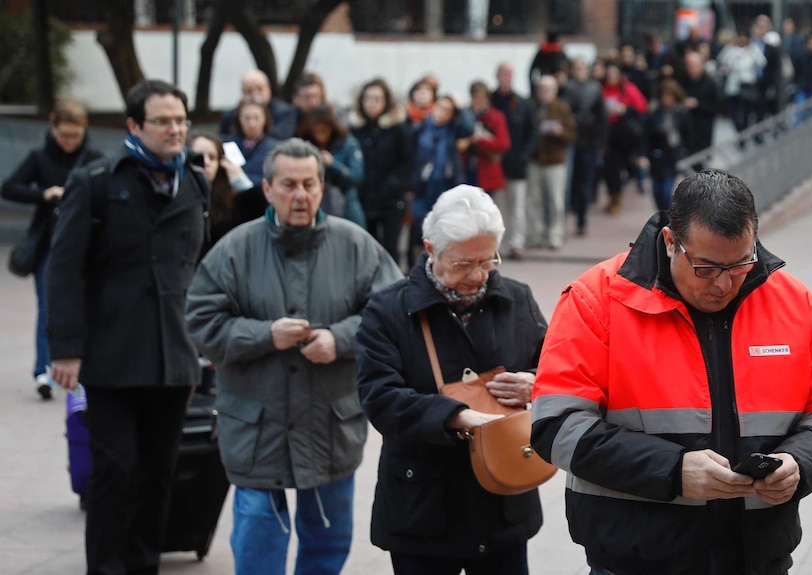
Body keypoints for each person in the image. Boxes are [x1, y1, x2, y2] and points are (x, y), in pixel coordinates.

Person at [530, 169, 812, 575]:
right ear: (671, 242)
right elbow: (557, 427)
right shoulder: (596, 298)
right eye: (706, 268)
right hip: (634, 558)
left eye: (741, 264)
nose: (724, 284)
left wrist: (800, 463)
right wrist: (673, 471)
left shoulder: (796, 303)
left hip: (757, 556)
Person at [185, 138, 402, 575]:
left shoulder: (356, 245)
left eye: (309, 184)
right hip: (255, 422)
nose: (299, 195)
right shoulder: (235, 248)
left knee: (327, 538)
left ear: (322, 188)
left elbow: (393, 318)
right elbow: (201, 324)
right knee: (258, 536)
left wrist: (339, 339)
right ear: (267, 189)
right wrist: (265, 335)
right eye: (288, 185)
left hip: (329, 422)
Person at [46, 79, 210, 575]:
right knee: (115, 469)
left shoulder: (196, 182)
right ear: (135, 126)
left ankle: (143, 566)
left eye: (181, 120)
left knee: (159, 472)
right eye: (162, 121)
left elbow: (199, 267)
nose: (174, 130)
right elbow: (65, 268)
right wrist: (66, 349)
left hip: (174, 356)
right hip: (112, 354)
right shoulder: (96, 181)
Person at [355, 184, 547, 575]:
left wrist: (535, 384)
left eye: (488, 259)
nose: (478, 275)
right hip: (422, 506)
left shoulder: (517, 298)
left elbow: (560, 369)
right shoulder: (388, 310)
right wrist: (456, 415)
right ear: (430, 249)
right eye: (463, 264)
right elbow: (380, 397)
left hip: (503, 499)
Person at [1, 100, 103, 399]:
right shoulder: (40, 156)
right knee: (49, 305)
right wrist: (43, 194)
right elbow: (9, 187)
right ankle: (43, 370)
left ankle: (85, 368)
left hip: (87, 244)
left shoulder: (94, 157)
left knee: (90, 305)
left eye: (75, 135)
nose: (69, 142)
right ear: (52, 128)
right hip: (49, 242)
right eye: (64, 135)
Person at [350, 78, 413, 264]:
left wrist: (393, 185)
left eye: (377, 99)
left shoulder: (398, 128)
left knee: (390, 247)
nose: (371, 103)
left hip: (391, 198)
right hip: (364, 196)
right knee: (366, 245)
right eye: (368, 98)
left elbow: (407, 162)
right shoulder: (356, 129)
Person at [410, 94, 474, 266]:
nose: (442, 112)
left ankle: (440, 265)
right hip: (422, 185)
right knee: (419, 226)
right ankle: (418, 265)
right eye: (440, 107)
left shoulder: (453, 129)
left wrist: (460, 107)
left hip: (445, 184)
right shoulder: (421, 128)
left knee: (443, 228)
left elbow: (469, 127)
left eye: (448, 110)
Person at [491, 61, 535, 260]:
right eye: (503, 74)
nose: (506, 78)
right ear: (497, 76)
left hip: (517, 163)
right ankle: (495, 245)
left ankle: (516, 243)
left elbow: (532, 131)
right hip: (495, 163)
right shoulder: (491, 101)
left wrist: (524, 154)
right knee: (496, 207)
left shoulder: (522, 103)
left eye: (509, 74)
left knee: (517, 206)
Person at [526, 75, 575, 250]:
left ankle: (555, 235)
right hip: (535, 160)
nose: (544, 93)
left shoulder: (562, 107)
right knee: (533, 200)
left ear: (554, 91)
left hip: (555, 161)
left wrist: (560, 131)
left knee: (556, 201)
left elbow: (572, 134)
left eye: (548, 89)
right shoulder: (532, 106)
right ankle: (534, 235)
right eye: (541, 89)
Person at [298, 104, 366, 228]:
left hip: (346, 207)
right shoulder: (305, 146)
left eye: (323, 131)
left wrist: (333, 164)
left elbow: (356, 177)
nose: (320, 136)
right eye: (316, 132)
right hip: (317, 209)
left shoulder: (348, 143)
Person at [188, 130, 253, 247]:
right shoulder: (177, 196)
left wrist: (240, 181)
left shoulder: (228, 203)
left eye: (212, 158)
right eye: (199, 156)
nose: (206, 162)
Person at [564, 57, 606, 236]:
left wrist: (601, 141)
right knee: (570, 181)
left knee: (585, 181)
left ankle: (582, 217)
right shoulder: (566, 88)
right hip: (571, 140)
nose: (579, 70)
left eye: (582, 67)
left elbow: (601, 117)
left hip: (588, 141)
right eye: (576, 67)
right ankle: (569, 213)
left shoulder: (594, 89)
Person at [600, 61, 648, 215]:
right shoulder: (600, 89)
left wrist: (625, 109)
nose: (611, 77)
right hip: (606, 133)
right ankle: (613, 197)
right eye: (608, 75)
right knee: (609, 168)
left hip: (624, 135)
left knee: (622, 166)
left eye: (614, 75)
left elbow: (642, 106)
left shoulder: (628, 88)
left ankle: (619, 196)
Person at [222, 99, 280, 223]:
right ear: (239, 120)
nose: (252, 123)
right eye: (247, 118)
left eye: (256, 118)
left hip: (261, 208)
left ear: (265, 119)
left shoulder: (275, 148)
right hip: (231, 209)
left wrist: (241, 177)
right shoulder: (227, 146)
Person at [641, 79, 691, 211]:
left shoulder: (681, 113)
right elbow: (646, 136)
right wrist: (643, 155)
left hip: (673, 156)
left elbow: (688, 136)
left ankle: (668, 218)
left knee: (666, 191)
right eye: (664, 95)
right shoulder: (654, 114)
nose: (667, 98)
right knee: (657, 191)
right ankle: (663, 217)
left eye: (670, 95)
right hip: (657, 155)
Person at [219, 68, 298, 141]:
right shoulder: (230, 115)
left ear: (268, 88)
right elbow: (222, 139)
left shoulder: (284, 112)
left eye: (259, 89)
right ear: (242, 92)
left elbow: (281, 137)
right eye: (249, 91)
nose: (255, 94)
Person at [716, 32, 766, 137]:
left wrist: (753, 49)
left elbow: (762, 62)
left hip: (748, 86)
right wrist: (729, 46)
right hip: (734, 88)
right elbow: (721, 59)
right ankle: (739, 133)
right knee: (735, 114)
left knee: (746, 114)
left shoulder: (752, 50)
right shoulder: (732, 50)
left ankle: (744, 134)